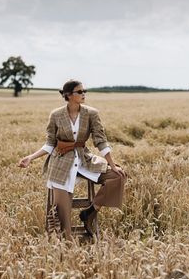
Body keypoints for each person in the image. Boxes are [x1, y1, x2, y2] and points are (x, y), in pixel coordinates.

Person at [19, 80, 127, 240]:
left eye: (85, 91)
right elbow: (50, 143)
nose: (84, 94)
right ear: (68, 95)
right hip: (61, 164)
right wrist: (30, 157)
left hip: (85, 159)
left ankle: (90, 212)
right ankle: (68, 251)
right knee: (64, 225)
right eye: (80, 91)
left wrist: (112, 165)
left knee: (118, 176)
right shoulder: (56, 115)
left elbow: (101, 141)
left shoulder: (91, 113)